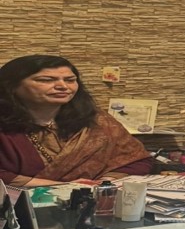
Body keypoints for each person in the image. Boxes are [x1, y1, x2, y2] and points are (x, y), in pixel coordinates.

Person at [0, 55, 152, 187]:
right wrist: (63, 187)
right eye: (46, 80)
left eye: (70, 80)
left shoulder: (97, 120)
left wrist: (102, 183)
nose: (63, 86)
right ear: (11, 86)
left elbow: (136, 161)